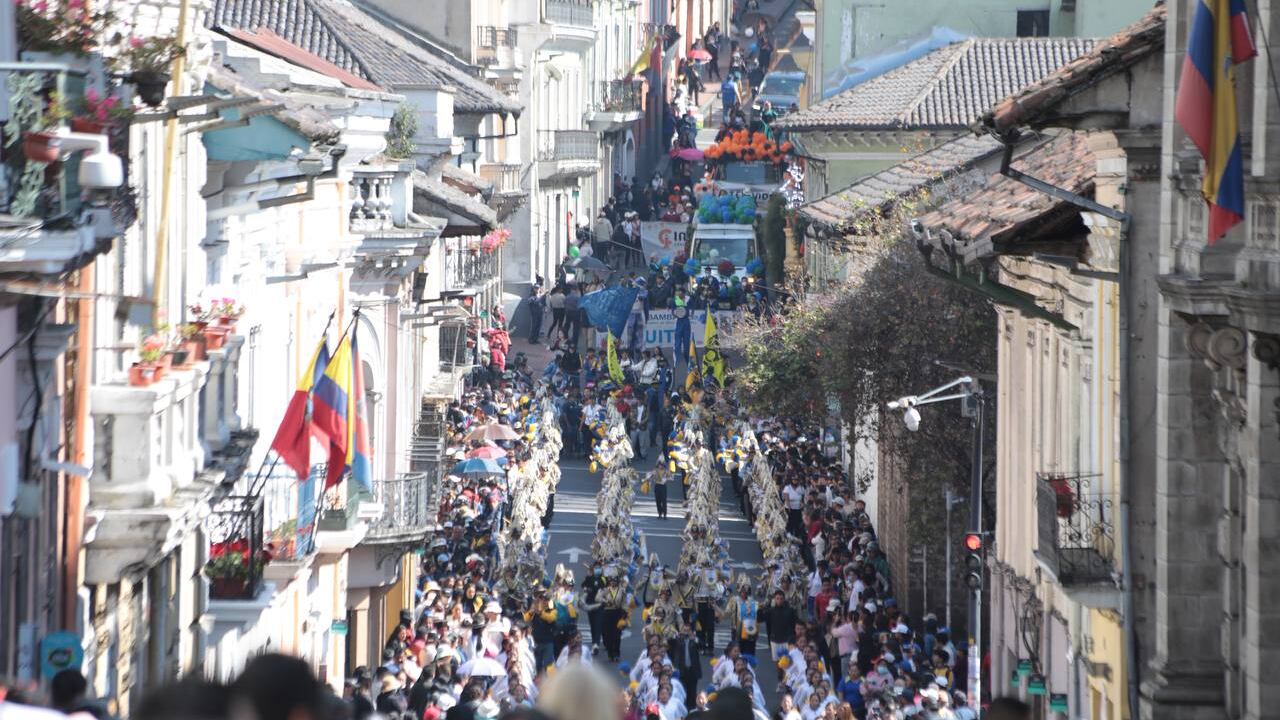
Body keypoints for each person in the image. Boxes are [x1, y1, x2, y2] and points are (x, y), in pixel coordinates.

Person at [668, 622, 701, 710]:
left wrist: (694, 639)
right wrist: (677, 635)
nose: (686, 632)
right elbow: (671, 642)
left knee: (692, 692)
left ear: (691, 631)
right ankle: (683, 710)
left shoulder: (694, 640)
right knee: (682, 692)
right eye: (684, 630)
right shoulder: (678, 640)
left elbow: (701, 646)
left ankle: (692, 711)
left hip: (692, 671)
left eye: (688, 630)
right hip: (681, 671)